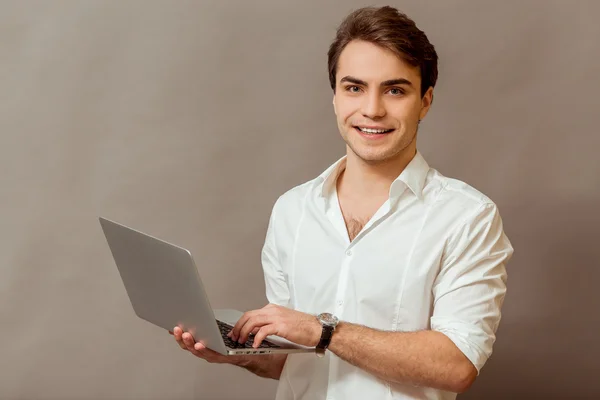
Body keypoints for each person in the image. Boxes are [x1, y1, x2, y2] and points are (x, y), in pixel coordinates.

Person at [171, 5, 514, 400]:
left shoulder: (468, 217)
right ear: (335, 97)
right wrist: (238, 353)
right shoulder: (292, 210)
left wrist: (324, 331)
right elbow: (293, 357)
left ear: (425, 100)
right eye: (354, 87)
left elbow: (457, 365)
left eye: (395, 90)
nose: (372, 109)